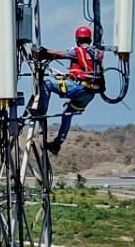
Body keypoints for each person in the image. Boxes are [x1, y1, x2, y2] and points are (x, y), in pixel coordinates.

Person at [37, 25, 104, 155]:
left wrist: (44, 52)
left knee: (47, 83)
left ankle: (41, 111)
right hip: (89, 94)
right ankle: (57, 144)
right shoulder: (96, 53)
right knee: (67, 115)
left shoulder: (78, 51)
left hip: (79, 88)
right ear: (89, 39)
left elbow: (60, 54)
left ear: (77, 39)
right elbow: (85, 70)